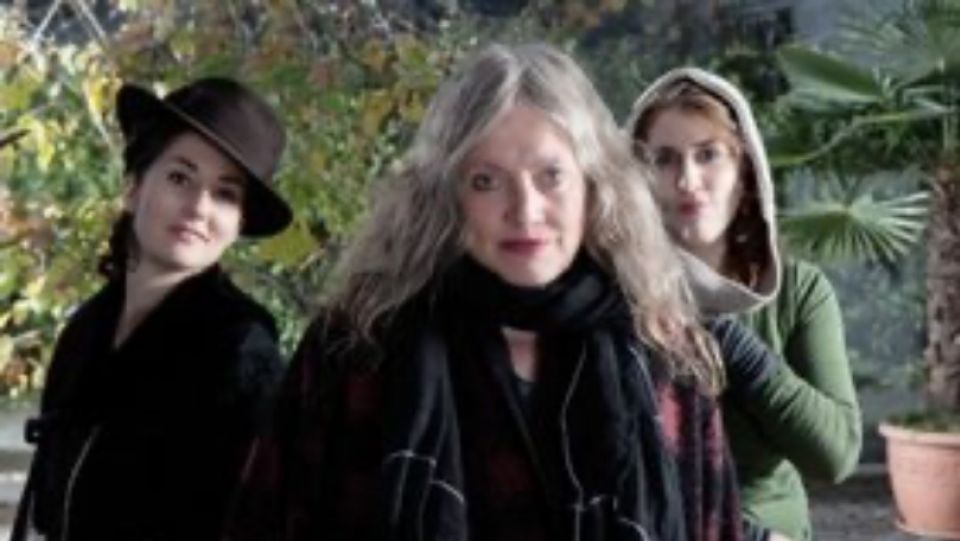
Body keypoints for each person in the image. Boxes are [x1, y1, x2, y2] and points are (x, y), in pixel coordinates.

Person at [223, 42, 791, 541]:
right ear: (446, 194)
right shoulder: (358, 347)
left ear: (594, 185)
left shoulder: (664, 351)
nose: (525, 210)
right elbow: (263, 524)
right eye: (486, 181)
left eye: (551, 176)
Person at [11, 77, 293, 540]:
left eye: (225, 194)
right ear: (134, 188)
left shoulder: (240, 352)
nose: (199, 207)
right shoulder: (86, 331)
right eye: (180, 177)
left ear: (238, 223)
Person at [625, 68, 862, 541]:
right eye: (664, 159)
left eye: (708, 155)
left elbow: (835, 457)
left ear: (743, 171)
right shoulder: (612, 295)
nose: (688, 180)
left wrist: (730, 340)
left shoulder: (799, 290)